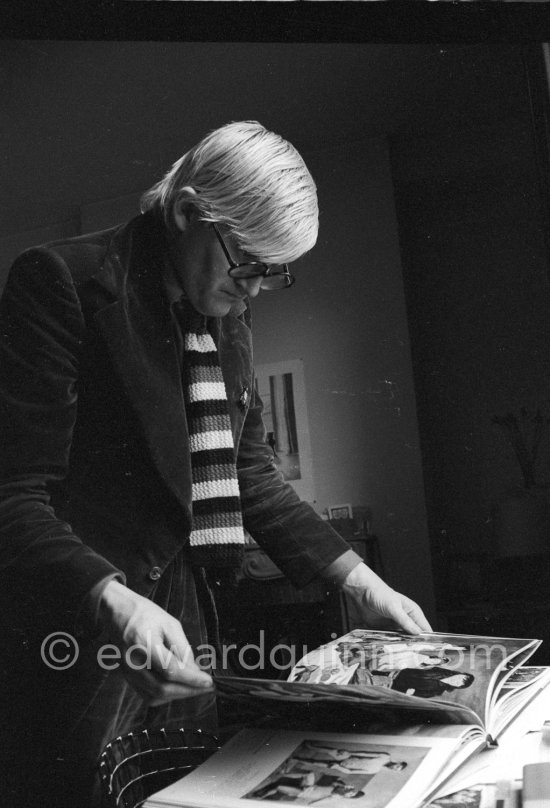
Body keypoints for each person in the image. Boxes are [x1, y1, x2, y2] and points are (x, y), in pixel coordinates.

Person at [0, 121, 431, 808]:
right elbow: (15, 495)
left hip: (185, 619)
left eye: (274, 272)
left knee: (186, 792)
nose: (257, 289)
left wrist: (359, 579)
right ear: (185, 212)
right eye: (250, 262)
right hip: (82, 619)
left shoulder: (226, 317)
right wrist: (109, 600)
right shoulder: (59, 281)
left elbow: (249, 472)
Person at [390, 668, 475, 698]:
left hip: (392, 686)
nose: (456, 680)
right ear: (458, 674)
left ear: (457, 686)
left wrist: (411, 693)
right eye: (459, 678)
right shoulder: (440, 670)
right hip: (395, 671)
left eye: (458, 683)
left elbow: (413, 694)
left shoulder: (437, 691)